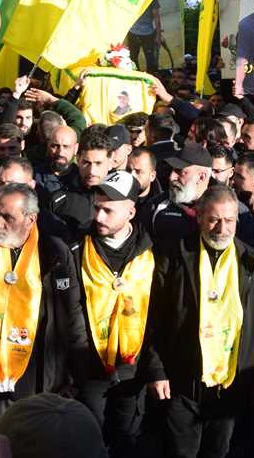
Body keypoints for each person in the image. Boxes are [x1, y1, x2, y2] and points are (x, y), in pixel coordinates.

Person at [142, 184, 254, 458]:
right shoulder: (174, 257)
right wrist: (157, 370)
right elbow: (153, 318)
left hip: (231, 385)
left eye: (229, 221)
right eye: (214, 219)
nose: (221, 229)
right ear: (199, 216)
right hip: (182, 381)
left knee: (219, 451)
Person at [0, 183, 88, 415]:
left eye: (8, 217)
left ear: (31, 219)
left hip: (42, 373)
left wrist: (77, 375)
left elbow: (72, 312)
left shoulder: (55, 253)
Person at [71, 171, 154, 457]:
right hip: (90, 367)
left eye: (108, 210)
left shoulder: (152, 251)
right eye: (97, 208)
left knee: (127, 441)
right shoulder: (77, 247)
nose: (99, 217)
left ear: (131, 211)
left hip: (133, 369)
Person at [126, 0, 162, 72]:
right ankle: (138, 79)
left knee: (147, 61)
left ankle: (148, 79)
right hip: (137, 32)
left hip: (145, 33)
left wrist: (158, 35)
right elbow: (156, 16)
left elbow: (156, 16)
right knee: (134, 60)